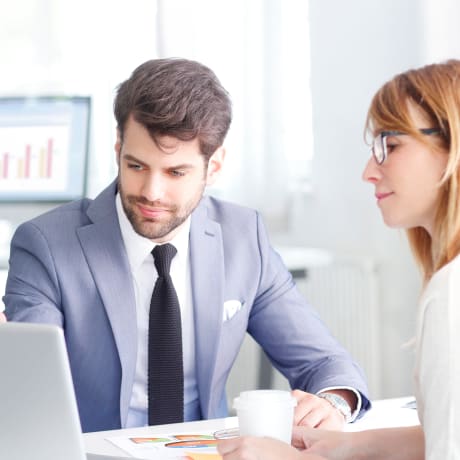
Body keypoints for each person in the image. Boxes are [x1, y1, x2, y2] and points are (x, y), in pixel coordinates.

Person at [3, 58, 370, 433]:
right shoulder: (45, 245)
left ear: (214, 167)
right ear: (118, 149)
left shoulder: (243, 238)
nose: (151, 192)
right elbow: (35, 391)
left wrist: (333, 402)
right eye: (136, 166)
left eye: (176, 172)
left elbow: (324, 362)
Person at [217, 59, 460, 460]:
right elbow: (443, 436)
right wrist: (343, 447)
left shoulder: (451, 295)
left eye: (391, 145)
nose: (369, 171)